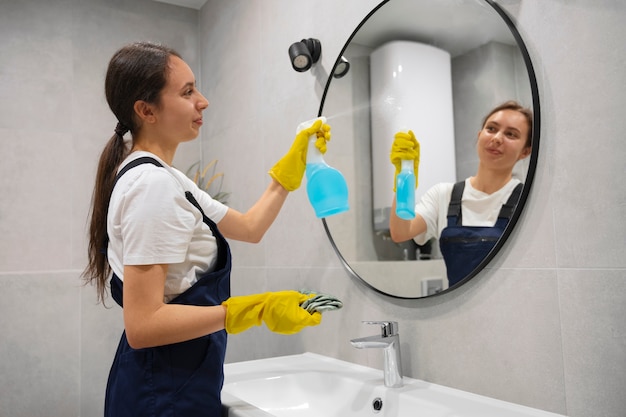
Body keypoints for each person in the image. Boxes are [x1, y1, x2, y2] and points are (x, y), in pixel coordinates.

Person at [82, 41, 330, 416]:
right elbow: (142, 324)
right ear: (146, 110)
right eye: (187, 92)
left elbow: (249, 227)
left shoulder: (168, 179)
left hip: (176, 378)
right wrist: (251, 311)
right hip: (162, 391)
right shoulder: (152, 186)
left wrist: (288, 172)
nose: (203, 100)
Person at [389, 100, 532, 287]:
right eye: (491, 129)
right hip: (458, 312)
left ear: (525, 152)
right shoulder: (444, 195)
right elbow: (401, 232)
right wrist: (403, 177)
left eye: (511, 134)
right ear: (480, 135)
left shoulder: (528, 201)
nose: (497, 138)